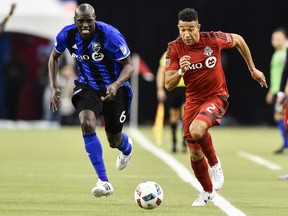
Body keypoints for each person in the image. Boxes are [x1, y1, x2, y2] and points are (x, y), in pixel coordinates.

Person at [164, 8, 267, 206]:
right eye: (183, 29)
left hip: (216, 96)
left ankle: (215, 164)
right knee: (194, 153)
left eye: (191, 29)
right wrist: (180, 71)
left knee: (197, 130)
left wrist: (252, 69)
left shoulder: (212, 39)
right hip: (193, 100)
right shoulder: (174, 48)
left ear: (198, 27)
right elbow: (168, 84)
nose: (186, 34)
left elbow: (238, 40)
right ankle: (207, 191)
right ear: (178, 28)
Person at [48, 3, 133, 198]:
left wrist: (116, 84)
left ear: (95, 18)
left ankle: (127, 148)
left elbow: (129, 65)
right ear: (75, 21)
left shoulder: (110, 35)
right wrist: (54, 87)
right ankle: (104, 181)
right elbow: (53, 58)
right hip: (87, 87)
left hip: (115, 88)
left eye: (89, 21)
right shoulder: (66, 35)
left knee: (114, 140)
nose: (85, 25)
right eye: (81, 21)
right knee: (86, 123)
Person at [156, 51, 186, 153]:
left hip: (187, 88)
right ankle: (174, 141)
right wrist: (160, 88)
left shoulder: (190, 51)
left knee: (185, 114)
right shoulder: (169, 53)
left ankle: (184, 142)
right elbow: (161, 71)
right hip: (173, 88)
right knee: (174, 116)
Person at [265, 28, 288, 154]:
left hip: (285, 90)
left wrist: (284, 90)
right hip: (278, 90)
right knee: (279, 116)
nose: (275, 41)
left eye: (278, 38)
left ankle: (286, 144)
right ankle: (286, 144)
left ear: (285, 38)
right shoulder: (277, 54)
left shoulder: (285, 52)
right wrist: (272, 91)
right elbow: (276, 75)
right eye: (273, 39)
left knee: (281, 116)